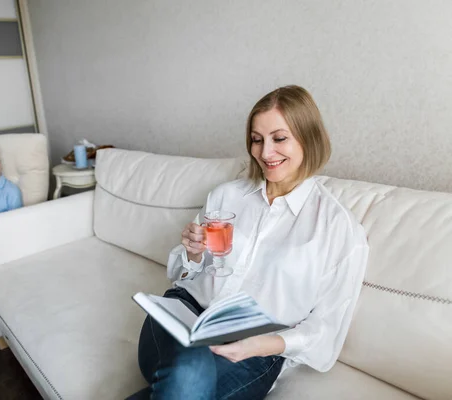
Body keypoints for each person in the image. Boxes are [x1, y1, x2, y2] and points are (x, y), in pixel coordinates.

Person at [137, 86, 369, 399]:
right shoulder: (226, 196)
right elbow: (182, 274)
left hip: (255, 350)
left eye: (279, 138)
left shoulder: (338, 229)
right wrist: (192, 254)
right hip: (183, 313)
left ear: (308, 137)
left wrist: (264, 344)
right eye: (257, 139)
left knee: (187, 380)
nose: (264, 153)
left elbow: (327, 329)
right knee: (190, 371)